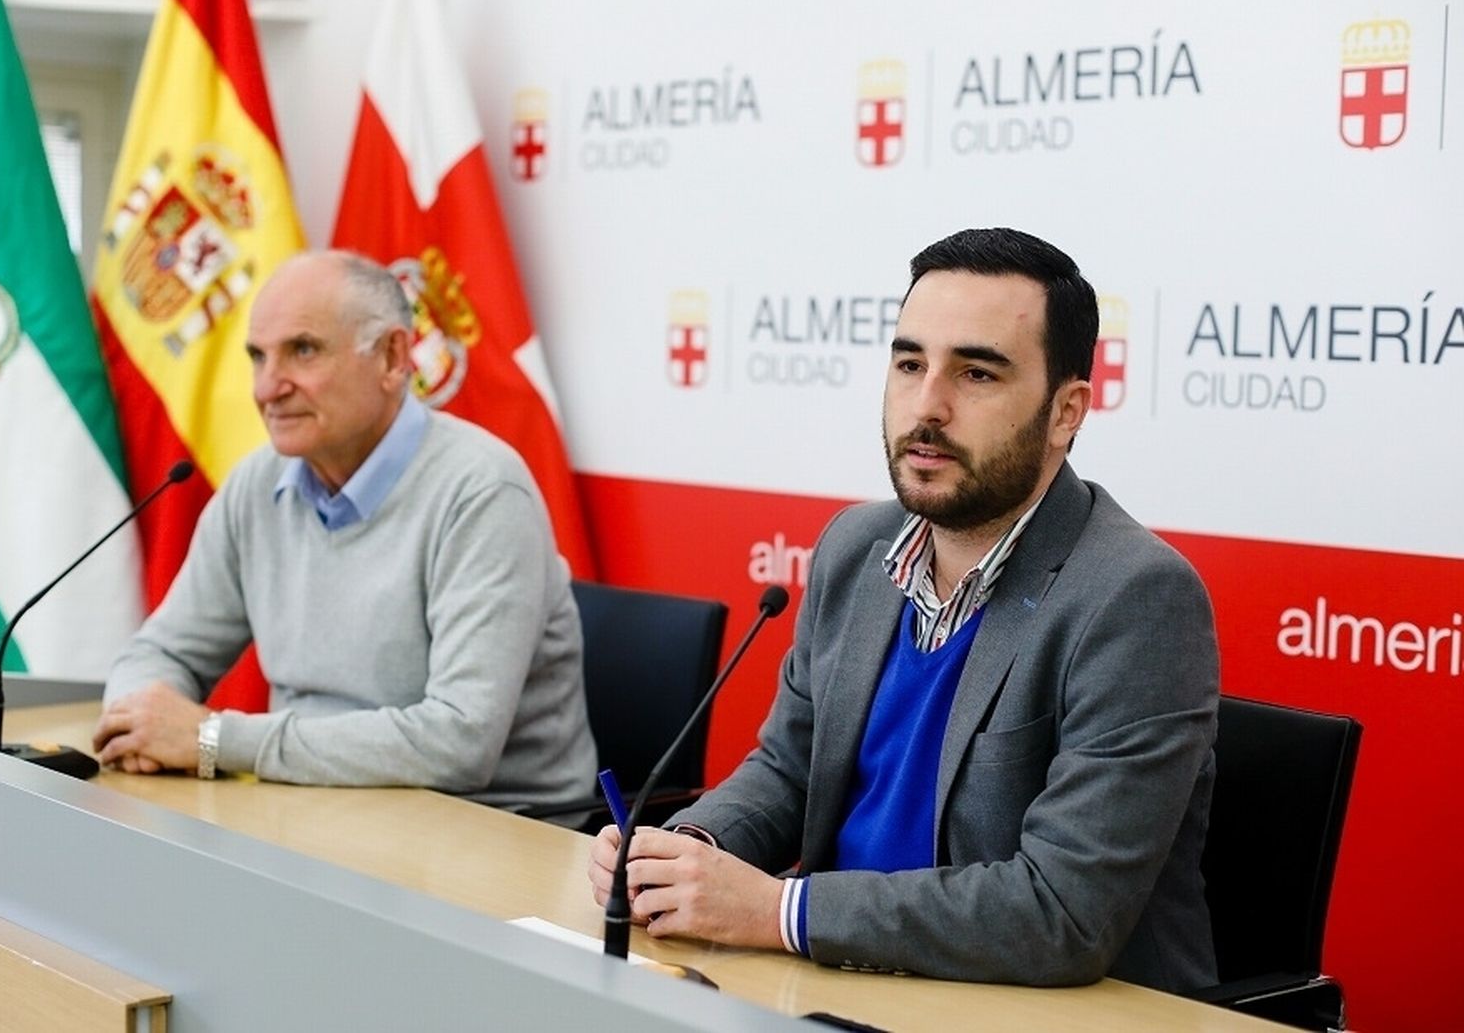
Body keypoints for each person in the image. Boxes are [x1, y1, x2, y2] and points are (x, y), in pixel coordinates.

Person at [588, 228, 1220, 992]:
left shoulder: (1135, 598)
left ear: (1065, 412)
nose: (927, 406)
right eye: (910, 363)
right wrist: (684, 853)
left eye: (977, 373)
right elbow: (790, 771)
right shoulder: (857, 547)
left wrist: (778, 910)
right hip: (838, 983)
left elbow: (1062, 913)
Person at [93, 250, 597, 818]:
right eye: (259, 357)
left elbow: (459, 743)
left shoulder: (481, 491)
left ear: (392, 357)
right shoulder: (256, 485)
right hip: (314, 806)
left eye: (302, 351)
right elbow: (162, 651)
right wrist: (137, 724)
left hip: (489, 827)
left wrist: (213, 740)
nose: (267, 388)